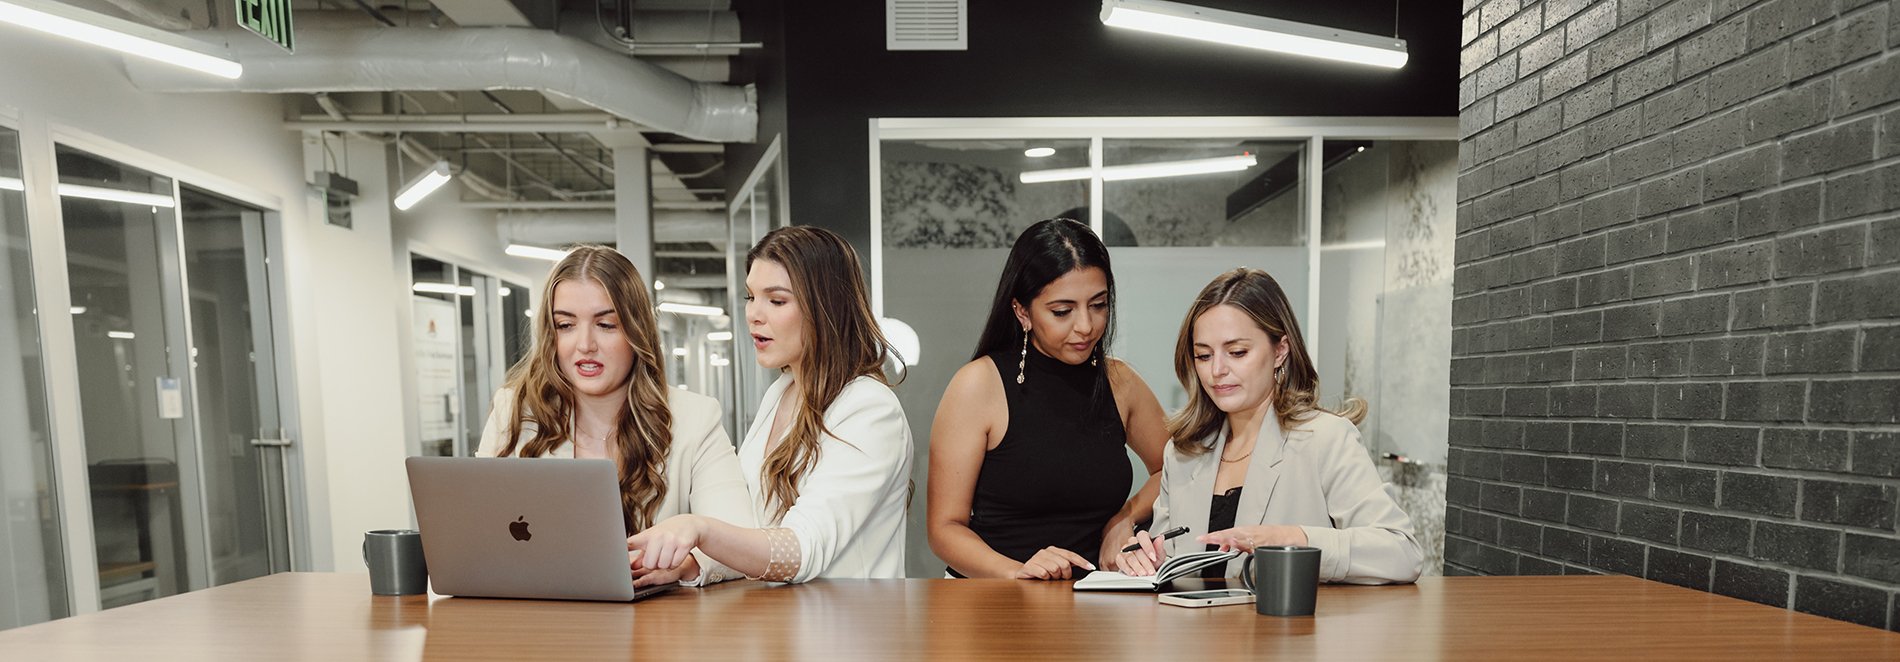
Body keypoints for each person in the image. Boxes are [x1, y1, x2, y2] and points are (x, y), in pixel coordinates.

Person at [627, 226, 913, 583]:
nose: (754, 315)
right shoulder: (782, 391)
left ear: (827, 309)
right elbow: (759, 532)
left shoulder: (870, 409)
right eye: (750, 297)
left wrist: (699, 528)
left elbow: (801, 551)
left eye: (776, 301)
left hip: (849, 631)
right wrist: (686, 565)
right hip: (783, 624)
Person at [1117, 268, 1422, 584]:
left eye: (1237, 352)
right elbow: (1168, 560)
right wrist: (1143, 557)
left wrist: (1292, 538)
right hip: (1197, 632)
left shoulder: (1326, 439)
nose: (1217, 370)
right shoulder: (1182, 454)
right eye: (1203, 356)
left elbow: (1402, 552)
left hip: (1288, 631)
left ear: (1280, 351)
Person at [476, 245, 754, 587]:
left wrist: (686, 564)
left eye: (606, 325)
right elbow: (476, 534)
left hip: (656, 629)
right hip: (536, 619)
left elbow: (741, 539)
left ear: (636, 332)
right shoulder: (514, 411)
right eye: (565, 325)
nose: (585, 344)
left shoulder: (696, 418)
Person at [927, 218, 1169, 580]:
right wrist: (1018, 572)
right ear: (1022, 311)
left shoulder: (1119, 382)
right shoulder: (979, 385)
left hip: (1096, 598)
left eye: (1099, 305)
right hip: (996, 598)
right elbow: (945, 528)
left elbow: (1175, 468)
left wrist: (1125, 518)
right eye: (1062, 311)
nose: (1085, 325)